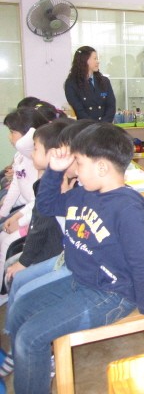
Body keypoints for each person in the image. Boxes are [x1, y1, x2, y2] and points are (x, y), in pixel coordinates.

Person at [7, 122, 144, 393]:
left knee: (30, 338)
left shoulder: (128, 208)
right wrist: (54, 172)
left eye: (79, 163)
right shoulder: (83, 194)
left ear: (101, 167)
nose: (75, 170)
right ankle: (29, 369)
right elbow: (46, 205)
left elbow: (142, 263)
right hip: (80, 279)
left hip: (111, 294)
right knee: (20, 309)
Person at [0, 119, 75, 379]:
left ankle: (33, 350)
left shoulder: (55, 182)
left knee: (18, 276)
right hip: (52, 251)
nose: (31, 154)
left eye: (36, 149)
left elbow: (41, 227)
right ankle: (16, 342)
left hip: (54, 253)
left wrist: (25, 261)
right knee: (14, 274)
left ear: (54, 153)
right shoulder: (49, 179)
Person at [0, 108, 53, 288]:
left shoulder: (37, 160)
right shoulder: (21, 156)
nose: (9, 137)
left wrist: (19, 221)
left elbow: (38, 203)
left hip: (32, 218)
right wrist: (4, 213)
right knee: (2, 234)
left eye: (12, 132)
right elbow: (16, 185)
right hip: (26, 212)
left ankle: (4, 290)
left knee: (6, 241)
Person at [64, 46, 116, 122]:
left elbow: (111, 106)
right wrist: (94, 127)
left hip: (105, 126)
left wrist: (103, 125)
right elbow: (79, 111)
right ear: (84, 60)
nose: (98, 62)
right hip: (85, 127)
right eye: (95, 58)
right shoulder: (71, 84)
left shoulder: (105, 81)